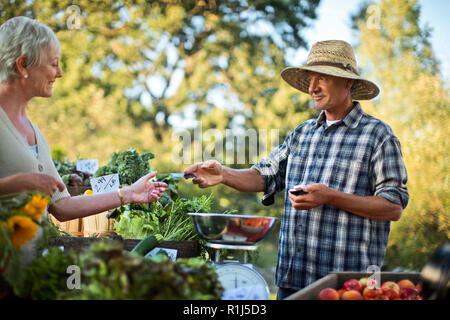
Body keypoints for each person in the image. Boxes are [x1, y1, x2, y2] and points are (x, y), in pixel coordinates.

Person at [184, 40, 409, 299]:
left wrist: (330, 196)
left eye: (322, 78)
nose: (313, 88)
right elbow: (264, 175)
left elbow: (393, 207)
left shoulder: (378, 136)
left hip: (349, 288)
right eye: (311, 79)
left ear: (348, 83)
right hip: (293, 281)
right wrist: (224, 174)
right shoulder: (302, 133)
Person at [0, 17, 167, 264]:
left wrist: (129, 193)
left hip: (26, 276)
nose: (60, 73)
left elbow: (63, 206)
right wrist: (19, 182)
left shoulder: (36, 133)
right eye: (53, 64)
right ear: (23, 65)